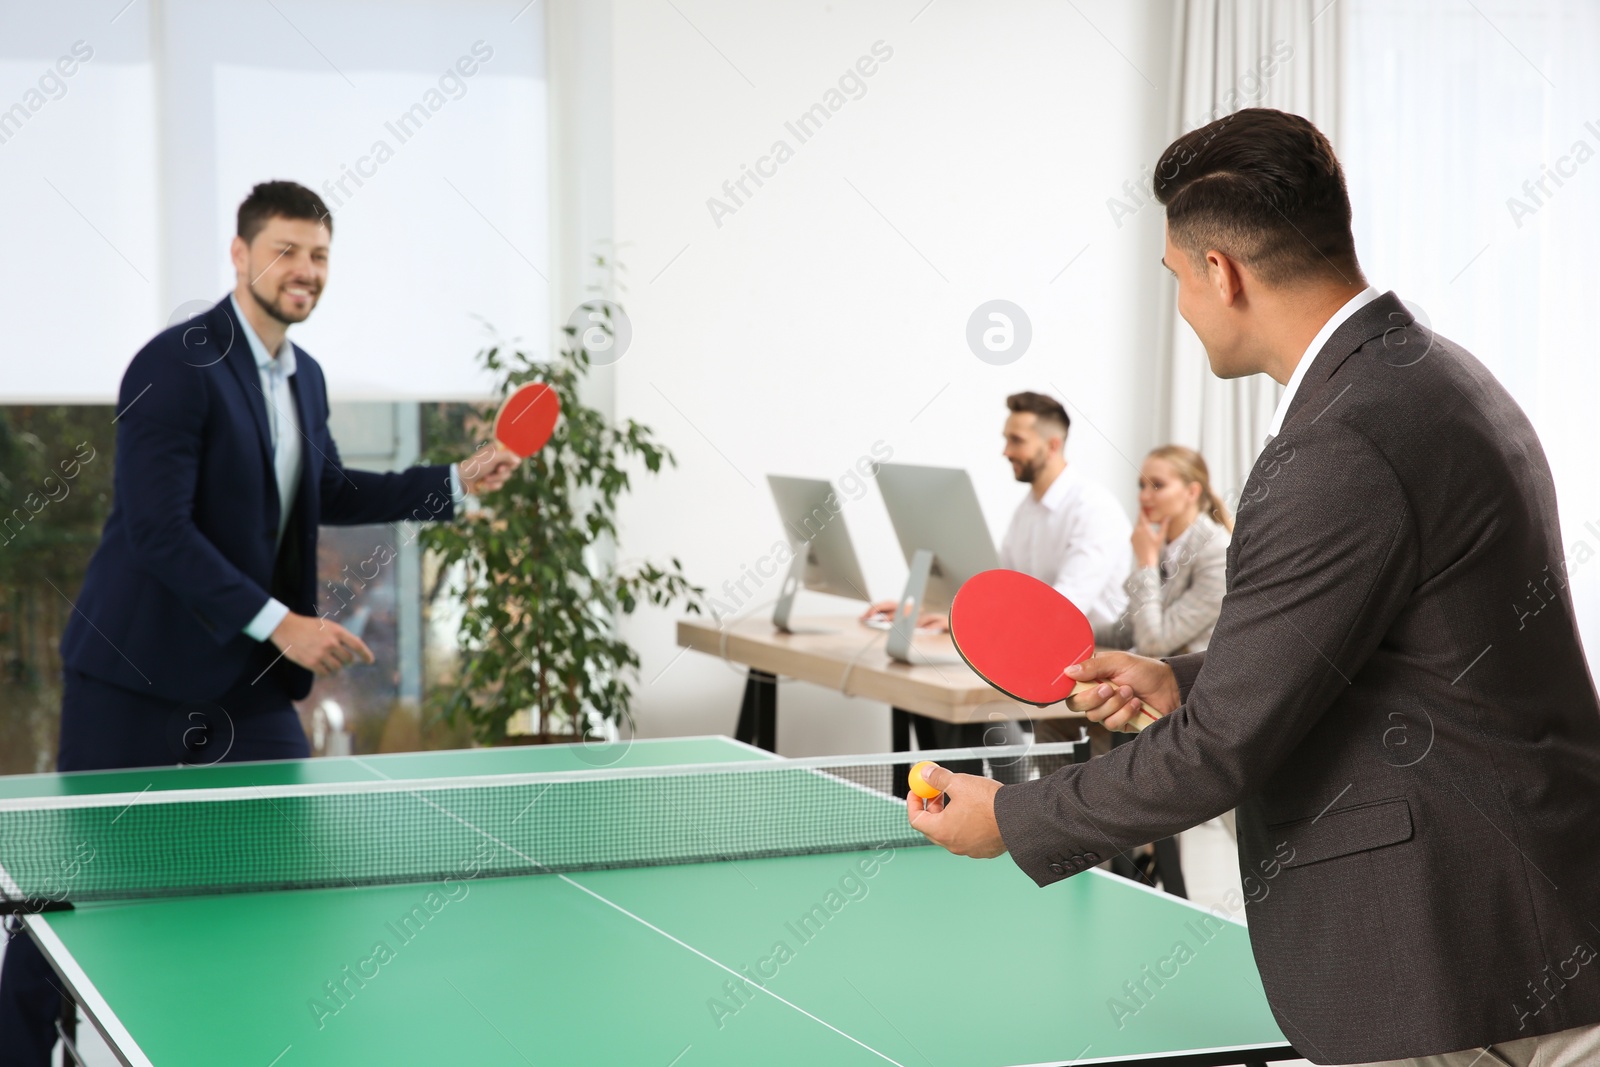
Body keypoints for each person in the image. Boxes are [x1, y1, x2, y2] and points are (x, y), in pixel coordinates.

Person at [907, 109, 1600, 1066]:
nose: (1183, 308)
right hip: (1525, 933)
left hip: (1460, 971)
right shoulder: (1437, 378)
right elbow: (1392, 647)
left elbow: (1218, 756)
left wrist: (1012, 817)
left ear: (1220, 272)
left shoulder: (1339, 443)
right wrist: (1186, 680)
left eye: (1176, 280)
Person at [0, 180, 519, 1067]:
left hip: (243, 689)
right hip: (133, 678)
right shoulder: (176, 364)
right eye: (284, 250)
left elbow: (330, 487)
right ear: (240, 256)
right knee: (62, 900)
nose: (303, 271)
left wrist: (452, 483)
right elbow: (160, 528)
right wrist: (284, 624)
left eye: (318, 255)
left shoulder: (303, 378)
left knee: (281, 875)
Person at [864, 392, 1131, 783]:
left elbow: (1063, 612)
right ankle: (1001, 806)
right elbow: (1008, 595)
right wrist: (935, 613)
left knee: (972, 712)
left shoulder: (1093, 509)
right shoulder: (1027, 511)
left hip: (1093, 667)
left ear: (1052, 444)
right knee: (949, 702)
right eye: (1006, 439)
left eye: (1016, 440)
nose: (1006, 451)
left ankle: (1008, 808)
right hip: (1044, 661)